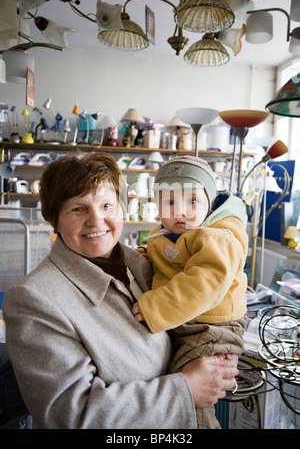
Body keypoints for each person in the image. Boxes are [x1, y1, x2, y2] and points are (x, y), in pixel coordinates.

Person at [2, 152, 239, 429]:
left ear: (122, 210)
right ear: (54, 220)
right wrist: (186, 389)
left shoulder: (146, 263)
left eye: (106, 205)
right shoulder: (35, 299)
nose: (96, 220)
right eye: (78, 209)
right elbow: (71, 417)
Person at [132, 155, 248, 429]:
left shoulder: (218, 236)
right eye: (169, 202)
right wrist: (146, 255)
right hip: (189, 323)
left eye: (192, 201)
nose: (180, 211)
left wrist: (156, 307)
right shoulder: (164, 232)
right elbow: (169, 256)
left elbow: (204, 281)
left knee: (190, 390)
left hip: (213, 328)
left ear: (209, 201)